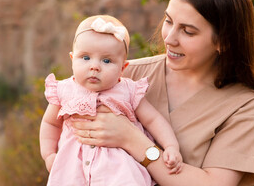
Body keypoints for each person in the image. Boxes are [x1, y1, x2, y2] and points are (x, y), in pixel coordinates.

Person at [71, 0, 254, 186]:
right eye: (169, 21)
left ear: (223, 41)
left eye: (188, 31)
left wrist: (132, 140)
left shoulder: (246, 108)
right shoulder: (128, 76)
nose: (169, 39)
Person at [39, 15, 183, 186]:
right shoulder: (63, 90)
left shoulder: (128, 91)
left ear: (123, 68)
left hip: (119, 172)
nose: (94, 66)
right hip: (71, 171)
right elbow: (50, 124)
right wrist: (49, 154)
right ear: (72, 59)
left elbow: (153, 120)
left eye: (106, 60)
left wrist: (171, 146)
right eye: (85, 57)